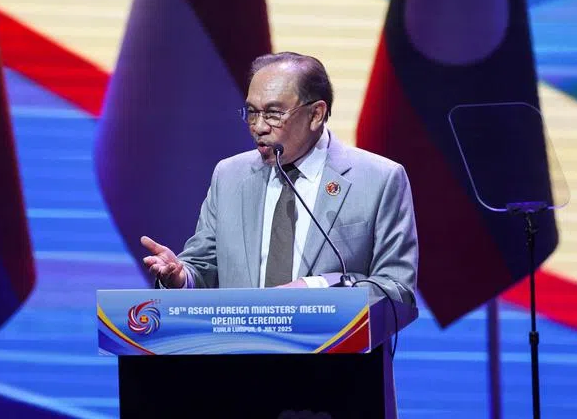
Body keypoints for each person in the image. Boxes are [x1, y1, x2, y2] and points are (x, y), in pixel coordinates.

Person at [141, 51, 417, 302]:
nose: (259, 127)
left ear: (316, 114)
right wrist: (180, 277)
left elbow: (397, 288)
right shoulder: (230, 176)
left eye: (273, 113)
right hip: (241, 351)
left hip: (334, 354)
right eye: (252, 112)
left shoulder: (378, 179)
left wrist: (318, 287)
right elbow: (204, 267)